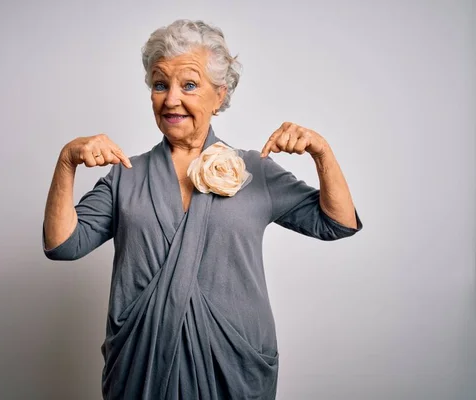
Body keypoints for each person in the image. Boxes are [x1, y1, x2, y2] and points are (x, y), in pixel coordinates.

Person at [42, 19, 362, 400]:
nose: (171, 99)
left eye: (189, 85)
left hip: (233, 364)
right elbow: (63, 245)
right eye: (160, 84)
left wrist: (321, 152)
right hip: (141, 363)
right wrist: (66, 164)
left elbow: (337, 223)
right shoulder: (125, 174)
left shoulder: (254, 171)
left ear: (220, 95)